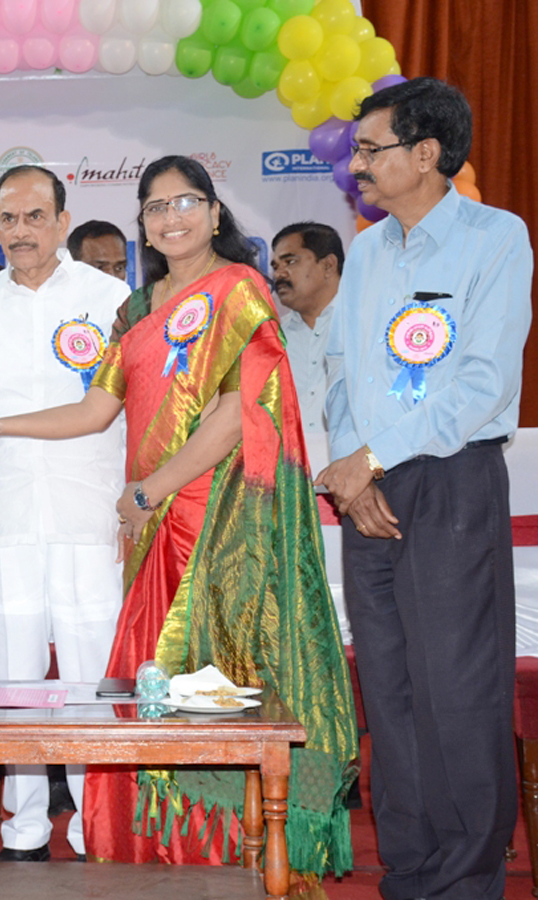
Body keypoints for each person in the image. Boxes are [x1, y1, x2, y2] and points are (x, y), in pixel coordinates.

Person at [0, 155, 357, 876]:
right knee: (50, 683)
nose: (22, 230)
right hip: (65, 513)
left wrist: (146, 488)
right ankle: (70, 829)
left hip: (169, 513)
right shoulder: (87, 308)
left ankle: (169, 837)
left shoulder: (161, 296)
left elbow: (223, 408)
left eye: (186, 202)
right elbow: (53, 406)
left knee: (148, 682)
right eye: (9, 217)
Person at [317, 77, 532, 900]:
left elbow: (480, 384)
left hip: (450, 479)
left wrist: (372, 458)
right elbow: (339, 374)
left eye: (371, 150)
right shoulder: (366, 249)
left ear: (427, 153)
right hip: (365, 486)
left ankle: (468, 876)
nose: (357, 166)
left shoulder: (495, 239)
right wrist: (352, 465)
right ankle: (407, 870)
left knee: (459, 688)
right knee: (391, 688)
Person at [0, 165, 130, 862]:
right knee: (10, 678)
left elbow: (116, 408)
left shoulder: (110, 297)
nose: (21, 232)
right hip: (1, 512)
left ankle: (96, 826)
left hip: (86, 511)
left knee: (89, 678)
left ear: (62, 220)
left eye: (34, 217)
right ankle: (23, 831)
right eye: (8, 220)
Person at [270, 222, 344, 434]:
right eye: (275, 267)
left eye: (290, 262)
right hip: (291, 465)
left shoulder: (364, 323)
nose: (279, 275)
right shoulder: (273, 337)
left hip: (355, 463)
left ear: (328, 265)